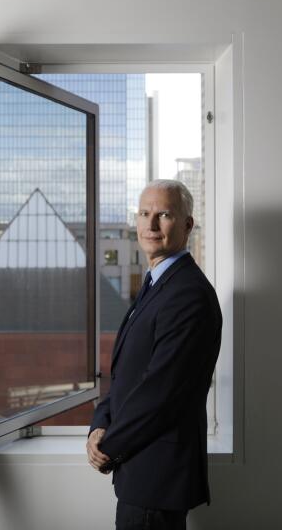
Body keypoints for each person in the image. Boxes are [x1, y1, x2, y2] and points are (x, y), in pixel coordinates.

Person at [87, 179, 222, 530]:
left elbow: (160, 392)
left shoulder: (187, 294)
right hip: (140, 473)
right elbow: (126, 375)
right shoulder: (156, 284)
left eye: (163, 214)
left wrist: (109, 448)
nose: (150, 225)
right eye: (144, 214)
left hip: (156, 478)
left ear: (187, 224)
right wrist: (99, 424)